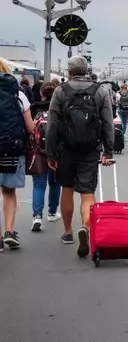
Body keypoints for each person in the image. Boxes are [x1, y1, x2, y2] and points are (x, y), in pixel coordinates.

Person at [46, 55, 114, 256]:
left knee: (66, 189)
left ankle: (68, 232)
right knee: (87, 193)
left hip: (66, 149)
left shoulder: (60, 91)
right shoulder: (99, 90)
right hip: (90, 150)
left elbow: (52, 124)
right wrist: (108, 151)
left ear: (69, 71)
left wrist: (51, 153)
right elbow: (108, 122)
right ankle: (86, 227)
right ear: (86, 71)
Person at [0, 59, 36, 251]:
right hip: (12, 149)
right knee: (8, 191)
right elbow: (30, 127)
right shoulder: (18, 95)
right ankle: (9, 231)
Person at [29, 82, 62, 232]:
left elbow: (29, 128)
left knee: (39, 185)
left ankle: (37, 216)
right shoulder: (60, 107)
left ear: (42, 93)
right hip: (56, 152)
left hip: (38, 152)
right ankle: (52, 212)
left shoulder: (34, 107)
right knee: (55, 184)